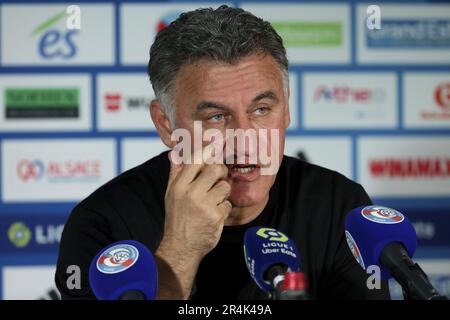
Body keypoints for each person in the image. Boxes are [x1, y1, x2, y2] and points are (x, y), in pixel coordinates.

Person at [55, 5, 390, 300]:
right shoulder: (102, 225)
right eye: (217, 117)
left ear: (286, 109)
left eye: (261, 110)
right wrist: (179, 254)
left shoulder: (341, 208)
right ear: (166, 124)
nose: (245, 140)